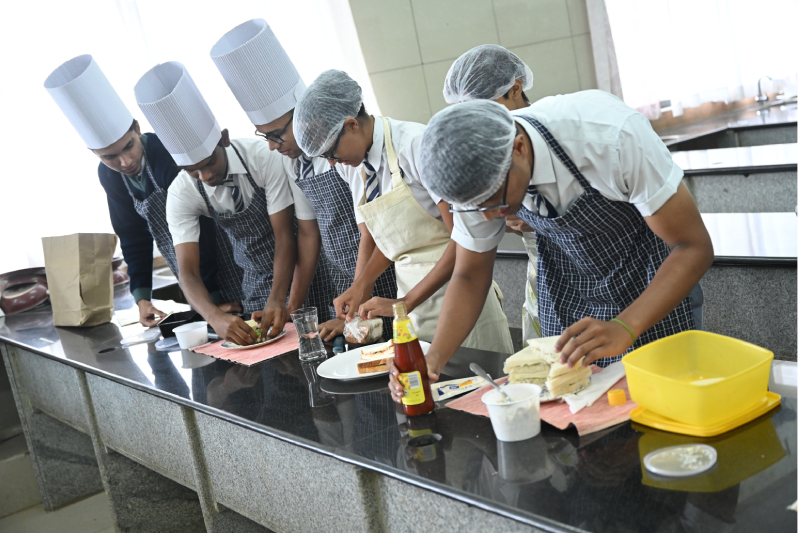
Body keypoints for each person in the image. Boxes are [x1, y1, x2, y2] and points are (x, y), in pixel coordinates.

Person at [387, 94, 713, 402]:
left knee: (660, 404)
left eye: (495, 204)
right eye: (474, 209)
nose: (488, 217)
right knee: (576, 415)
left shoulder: (610, 139)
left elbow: (691, 246)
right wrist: (434, 358)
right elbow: (470, 274)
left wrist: (626, 325)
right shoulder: (480, 181)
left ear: (518, 148)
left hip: (648, 282)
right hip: (568, 288)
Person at [293, 70, 514, 353]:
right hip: (409, 305)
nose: (333, 164)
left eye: (331, 154)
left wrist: (407, 301)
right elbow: (384, 236)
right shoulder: (354, 167)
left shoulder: (415, 144)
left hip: (459, 289)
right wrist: (361, 286)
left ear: (351, 125)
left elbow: (463, 237)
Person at [209, 18, 397, 341]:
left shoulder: (346, 152)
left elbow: (372, 230)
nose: (271, 145)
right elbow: (308, 234)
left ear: (301, 115)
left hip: (378, 275)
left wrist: (360, 293)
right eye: (263, 136)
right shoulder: (294, 163)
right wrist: (290, 308)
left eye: (276, 135)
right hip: (346, 284)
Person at [134, 62, 334, 345]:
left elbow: (285, 236)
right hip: (254, 284)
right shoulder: (182, 192)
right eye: (194, 171)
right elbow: (187, 272)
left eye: (209, 163)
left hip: (302, 270)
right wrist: (213, 316)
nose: (206, 176)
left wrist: (283, 300)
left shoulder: (263, 158)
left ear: (224, 139)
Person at [44, 55, 244, 327]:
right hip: (190, 272)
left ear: (138, 129)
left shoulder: (166, 151)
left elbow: (200, 228)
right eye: (109, 156)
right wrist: (142, 298)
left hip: (225, 256)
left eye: (128, 147)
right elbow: (132, 235)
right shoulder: (110, 176)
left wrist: (211, 299)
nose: (124, 163)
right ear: (93, 153)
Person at [442, 44, 542, 343]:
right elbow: (470, 270)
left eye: (487, 108)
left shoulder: (564, 133)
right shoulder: (476, 151)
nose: (482, 123)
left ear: (515, 88)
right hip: (543, 274)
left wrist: (542, 219)